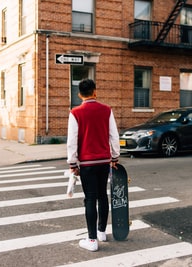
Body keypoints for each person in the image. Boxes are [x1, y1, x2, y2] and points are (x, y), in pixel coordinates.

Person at [67, 78, 120, 252]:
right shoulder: (107, 110)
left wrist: (72, 163)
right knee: (102, 196)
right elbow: (114, 135)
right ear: (95, 92)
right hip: (104, 161)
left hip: (87, 163)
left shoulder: (75, 113)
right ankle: (102, 232)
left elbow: (72, 141)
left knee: (90, 198)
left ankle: (91, 240)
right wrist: (114, 157)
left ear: (79, 94)